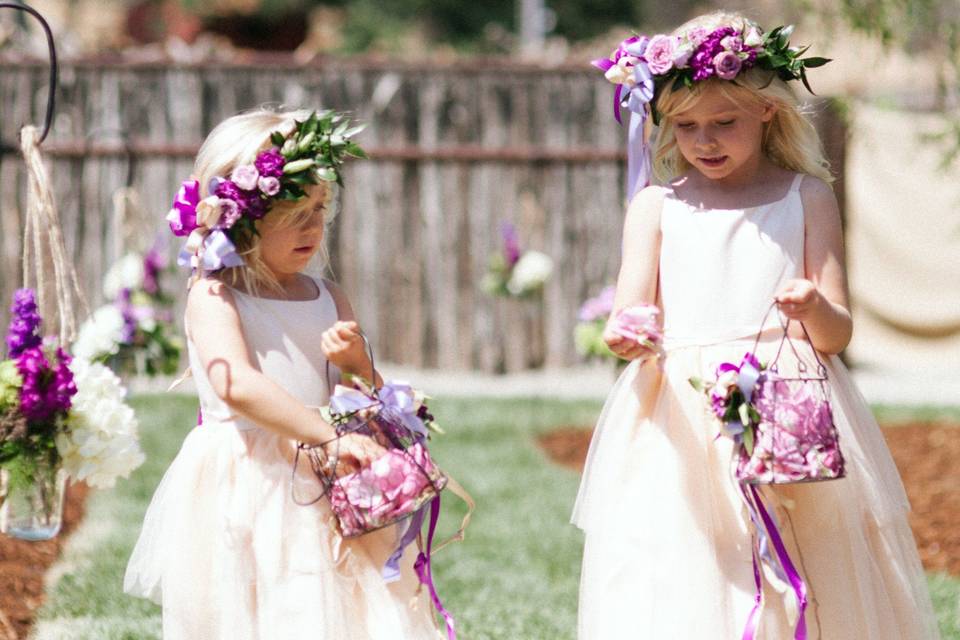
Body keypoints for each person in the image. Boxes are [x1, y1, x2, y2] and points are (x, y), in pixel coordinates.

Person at [574, 12, 940, 639]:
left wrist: (812, 308)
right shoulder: (656, 207)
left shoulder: (807, 197)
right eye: (686, 126)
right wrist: (628, 335)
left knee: (803, 551)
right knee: (690, 555)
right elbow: (627, 317)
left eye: (724, 123)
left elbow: (837, 333)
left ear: (768, 112)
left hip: (785, 399)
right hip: (680, 418)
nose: (704, 140)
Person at [123, 108, 442, 639]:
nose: (314, 227)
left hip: (322, 478)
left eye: (321, 208)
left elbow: (349, 397)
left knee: (323, 607)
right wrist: (323, 438)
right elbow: (237, 385)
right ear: (242, 216)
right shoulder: (214, 295)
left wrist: (357, 365)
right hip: (249, 480)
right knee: (253, 607)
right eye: (295, 213)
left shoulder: (328, 296)